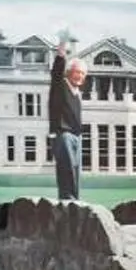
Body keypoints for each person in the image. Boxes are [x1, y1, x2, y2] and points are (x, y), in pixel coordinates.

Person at [47, 37, 89, 201]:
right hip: (63, 135)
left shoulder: (77, 93)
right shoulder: (60, 85)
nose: (80, 76)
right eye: (78, 72)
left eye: (83, 74)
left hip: (76, 137)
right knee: (67, 170)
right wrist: (62, 46)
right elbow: (57, 69)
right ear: (69, 71)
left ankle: (74, 202)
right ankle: (68, 202)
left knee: (76, 171)